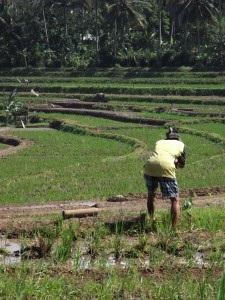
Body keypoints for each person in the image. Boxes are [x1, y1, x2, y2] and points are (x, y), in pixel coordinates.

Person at [143, 127, 186, 229]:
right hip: (166, 167)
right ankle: (174, 228)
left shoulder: (160, 142)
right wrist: (176, 163)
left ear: (167, 138)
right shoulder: (181, 145)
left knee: (151, 194)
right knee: (175, 200)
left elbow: (160, 155)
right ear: (178, 139)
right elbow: (182, 164)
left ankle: (152, 219)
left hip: (150, 166)